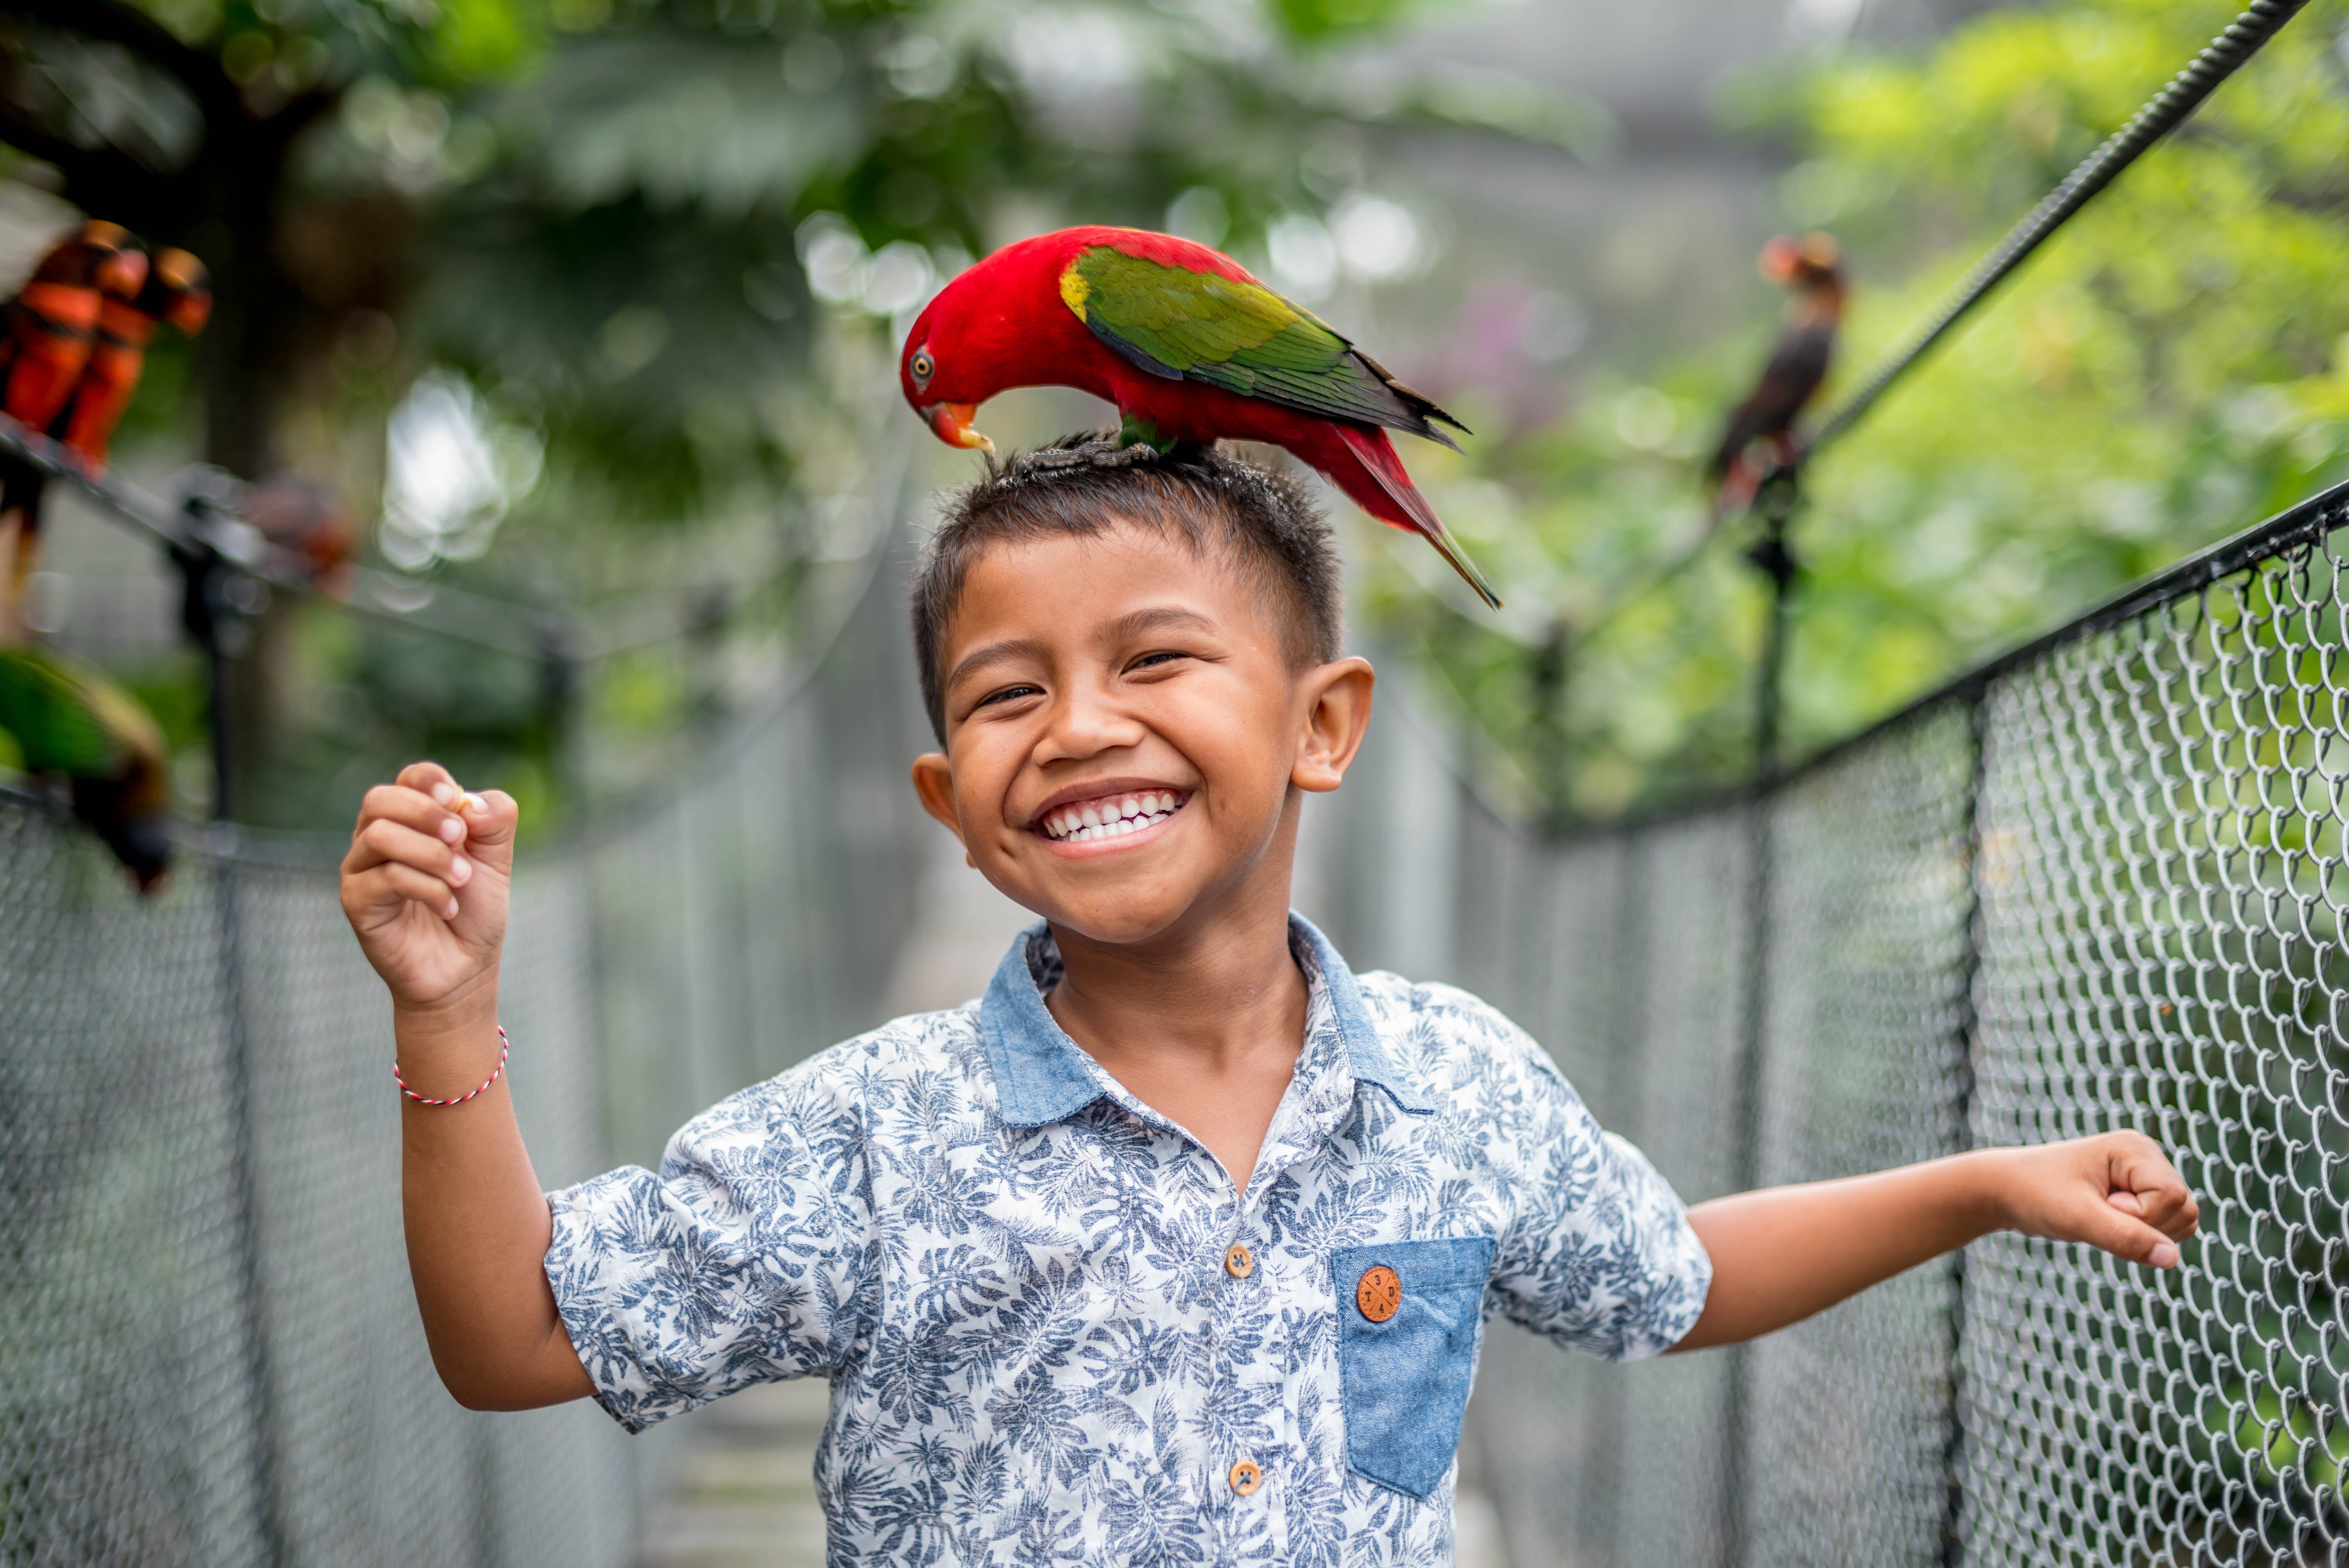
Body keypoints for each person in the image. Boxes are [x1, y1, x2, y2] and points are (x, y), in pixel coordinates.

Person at [339, 434, 2198, 1564]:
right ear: (950, 813)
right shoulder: (879, 1130)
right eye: (1003, 695)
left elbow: (1673, 1279)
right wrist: (447, 1014)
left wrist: (1978, 1183)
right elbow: (517, 1341)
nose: (1077, 727)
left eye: (1156, 657)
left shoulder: (1455, 1083)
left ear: (1323, 726)